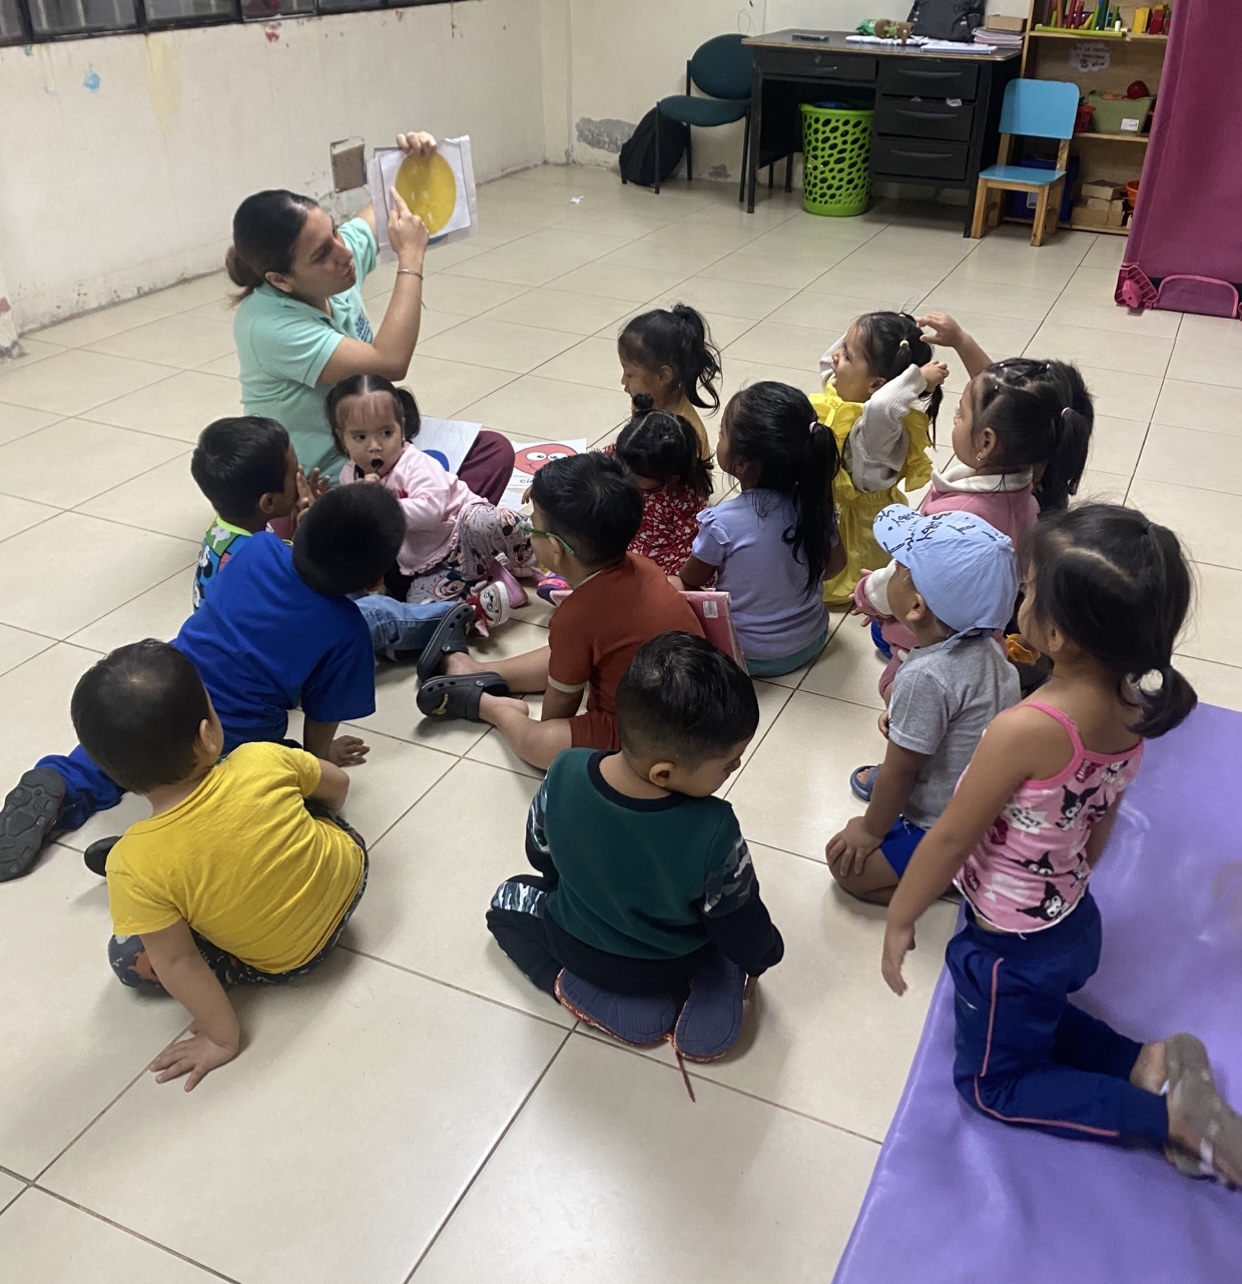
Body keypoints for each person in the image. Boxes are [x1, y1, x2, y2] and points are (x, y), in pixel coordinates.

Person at [881, 503, 1242, 1185]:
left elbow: (952, 835)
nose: (1018, 599)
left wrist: (903, 913)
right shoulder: (1133, 710)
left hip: (1009, 944)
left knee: (994, 1083)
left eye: (1027, 589)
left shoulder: (1025, 730)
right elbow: (1099, 826)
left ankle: (1169, 1119)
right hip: (1072, 920)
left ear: (1058, 634)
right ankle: (1148, 1062)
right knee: (1031, 1011)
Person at [0, 486, 403, 883]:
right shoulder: (346, 631)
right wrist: (319, 759)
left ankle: (65, 780)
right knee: (254, 778)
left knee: (130, 741)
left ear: (303, 524)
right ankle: (166, 847)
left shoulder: (257, 549)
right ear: (374, 582)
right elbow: (322, 714)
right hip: (235, 727)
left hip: (167, 682)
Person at [71, 640, 366, 1091]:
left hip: (291, 960)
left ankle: (168, 856)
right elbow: (338, 787)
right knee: (293, 786)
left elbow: (178, 961)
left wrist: (220, 1037)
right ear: (208, 734)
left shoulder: (133, 868)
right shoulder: (260, 757)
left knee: (129, 955)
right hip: (350, 870)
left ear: (114, 772)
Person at [487, 631, 784, 1060]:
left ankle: (563, 980)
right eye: (727, 764)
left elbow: (540, 852)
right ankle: (717, 975)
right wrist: (763, 956)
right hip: (674, 962)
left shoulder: (564, 768)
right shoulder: (716, 829)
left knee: (503, 904)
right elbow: (741, 918)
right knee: (723, 929)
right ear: (663, 773)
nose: (736, 767)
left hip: (580, 948)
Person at [226, 129, 514, 496]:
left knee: (493, 451)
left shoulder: (333, 267)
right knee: (416, 503)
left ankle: (414, 520)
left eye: (334, 232)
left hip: (373, 451)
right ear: (280, 279)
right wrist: (411, 258)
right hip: (323, 479)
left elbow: (382, 208)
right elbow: (390, 361)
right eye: (322, 254)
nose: (344, 252)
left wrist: (411, 161)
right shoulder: (268, 326)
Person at [414, 452, 704, 770]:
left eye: (532, 524)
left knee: (542, 741)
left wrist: (547, 728)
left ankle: (495, 709)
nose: (528, 529)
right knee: (570, 651)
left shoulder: (576, 617)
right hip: (688, 703)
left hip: (639, 735)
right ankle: (472, 671)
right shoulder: (642, 566)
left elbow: (563, 698)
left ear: (555, 548)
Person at [855, 349, 1094, 685]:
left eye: (960, 414)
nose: (955, 420)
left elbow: (910, 574)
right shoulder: (1026, 498)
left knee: (896, 688)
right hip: (980, 631)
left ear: (985, 442)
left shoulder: (959, 515)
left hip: (930, 637)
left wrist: (868, 594)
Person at [825, 506, 1020, 905]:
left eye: (899, 567)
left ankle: (956, 874)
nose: (890, 571)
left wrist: (871, 831)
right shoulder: (991, 648)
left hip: (945, 825)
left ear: (916, 606)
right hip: (990, 807)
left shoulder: (925, 676)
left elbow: (901, 770)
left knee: (846, 866)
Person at [189, 415, 454, 654]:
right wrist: (317, 528)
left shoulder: (226, 530)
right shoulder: (259, 558)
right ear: (268, 502)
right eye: (295, 471)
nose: (301, 472)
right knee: (379, 613)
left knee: (352, 594)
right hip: (279, 652)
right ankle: (457, 616)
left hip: (264, 627)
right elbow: (309, 586)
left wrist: (311, 521)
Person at [673, 381, 846, 677]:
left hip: (747, 654)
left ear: (741, 464)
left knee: (669, 584)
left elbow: (691, 579)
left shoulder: (721, 522)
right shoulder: (815, 507)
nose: (719, 438)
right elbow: (834, 568)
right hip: (812, 640)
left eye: (722, 433)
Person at [329, 374, 534, 617]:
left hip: (464, 531)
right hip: (429, 564)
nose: (375, 446)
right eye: (360, 437)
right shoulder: (349, 477)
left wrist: (379, 504)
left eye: (386, 432)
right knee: (420, 609)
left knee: (491, 521)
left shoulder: (416, 464)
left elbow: (429, 512)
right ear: (342, 438)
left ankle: (535, 554)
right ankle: (483, 598)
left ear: (401, 427)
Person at [812, 311, 948, 606]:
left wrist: (918, 379)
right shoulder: (843, 393)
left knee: (856, 573)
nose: (835, 356)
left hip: (859, 522)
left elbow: (883, 404)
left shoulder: (879, 431)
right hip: (831, 506)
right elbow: (826, 361)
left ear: (875, 384)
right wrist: (867, 328)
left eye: (847, 355)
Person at [611, 395, 714, 577]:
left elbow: (687, 547)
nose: (625, 474)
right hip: (617, 541)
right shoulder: (623, 458)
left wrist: (664, 578)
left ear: (670, 477)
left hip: (657, 562)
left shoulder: (683, 497)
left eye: (635, 476)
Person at [617, 304, 722, 460]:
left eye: (630, 374)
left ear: (663, 376)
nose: (623, 381)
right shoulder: (643, 403)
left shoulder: (685, 432)